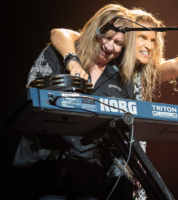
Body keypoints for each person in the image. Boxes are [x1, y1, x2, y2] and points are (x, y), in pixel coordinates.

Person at [49, 7, 178, 200]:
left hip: (122, 164)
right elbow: (60, 33)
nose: (148, 45)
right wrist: (73, 62)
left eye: (152, 40)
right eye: (142, 37)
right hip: (87, 161)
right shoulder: (108, 58)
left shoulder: (143, 71)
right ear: (128, 37)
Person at [12, 4, 136, 200]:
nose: (110, 46)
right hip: (42, 167)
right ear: (95, 28)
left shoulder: (122, 80)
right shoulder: (57, 54)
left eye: (118, 43)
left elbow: (121, 136)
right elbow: (31, 103)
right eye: (107, 36)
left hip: (88, 178)